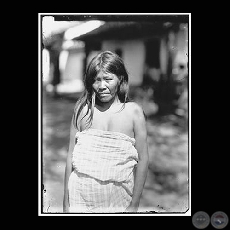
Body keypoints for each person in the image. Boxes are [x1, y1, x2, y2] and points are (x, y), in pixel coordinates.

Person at [63, 50, 149, 213]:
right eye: (96, 80)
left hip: (117, 199)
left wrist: (135, 204)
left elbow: (143, 160)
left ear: (120, 79)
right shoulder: (82, 110)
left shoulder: (133, 112)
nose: (102, 86)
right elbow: (70, 157)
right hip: (79, 198)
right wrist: (66, 202)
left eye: (108, 79)